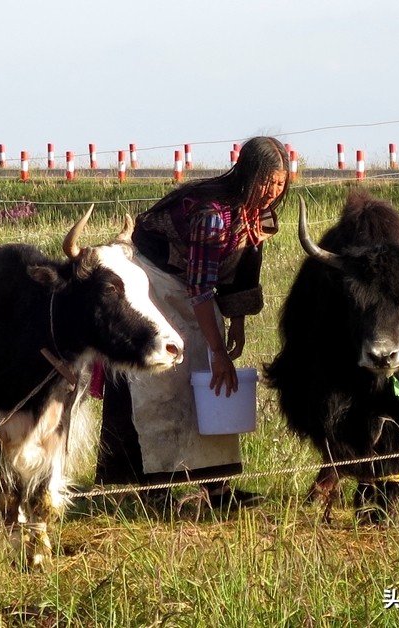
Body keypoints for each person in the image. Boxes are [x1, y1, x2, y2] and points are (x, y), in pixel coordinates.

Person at [94, 136, 291, 509]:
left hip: (189, 287)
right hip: (154, 281)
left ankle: (217, 490)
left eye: (280, 183)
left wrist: (236, 323)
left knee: (210, 384)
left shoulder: (255, 215)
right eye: (267, 181)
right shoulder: (212, 215)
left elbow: (243, 273)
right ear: (249, 176)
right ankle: (156, 490)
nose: (273, 191)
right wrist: (217, 350)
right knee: (162, 381)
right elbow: (201, 287)